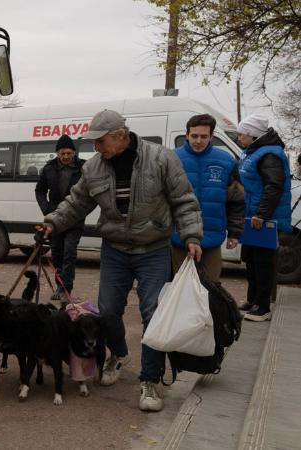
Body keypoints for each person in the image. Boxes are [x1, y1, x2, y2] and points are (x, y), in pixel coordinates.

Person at [42, 110, 202, 413]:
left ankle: (150, 381)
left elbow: (184, 199)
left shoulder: (161, 159)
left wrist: (192, 236)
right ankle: (118, 353)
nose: (95, 148)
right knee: (109, 311)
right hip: (115, 248)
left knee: (153, 312)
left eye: (100, 141)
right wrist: (52, 222)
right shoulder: (93, 168)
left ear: (120, 135)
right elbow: (77, 203)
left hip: (153, 247)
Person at [171, 114, 245, 281]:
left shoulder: (227, 161)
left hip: (212, 237)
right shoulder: (172, 159)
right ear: (186, 135)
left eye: (204, 136)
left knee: (211, 289)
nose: (198, 141)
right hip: (179, 237)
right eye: (194, 136)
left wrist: (234, 232)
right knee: (181, 289)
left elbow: (236, 201)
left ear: (211, 136)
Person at [236, 114, 291, 322]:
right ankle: (253, 299)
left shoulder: (270, 156)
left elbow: (273, 187)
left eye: (242, 134)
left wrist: (261, 214)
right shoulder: (253, 152)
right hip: (251, 217)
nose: (239, 137)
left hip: (264, 219)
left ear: (252, 135)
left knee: (263, 262)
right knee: (250, 259)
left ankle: (263, 307)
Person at [35, 134, 86, 300]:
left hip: (74, 219)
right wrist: (46, 210)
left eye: (69, 153)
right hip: (55, 220)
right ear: (57, 153)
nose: (65, 157)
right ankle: (59, 286)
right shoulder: (49, 168)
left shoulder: (83, 168)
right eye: (62, 153)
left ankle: (66, 289)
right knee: (56, 254)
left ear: (74, 153)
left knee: (69, 253)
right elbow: (40, 190)